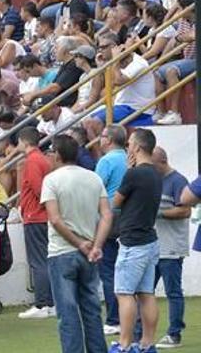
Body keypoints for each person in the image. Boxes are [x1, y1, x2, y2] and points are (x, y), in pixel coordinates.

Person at [41, 135, 111, 353]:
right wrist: (96, 245)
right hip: (89, 251)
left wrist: (79, 243)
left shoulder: (51, 180)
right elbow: (106, 215)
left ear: (58, 155)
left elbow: (55, 218)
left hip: (63, 251)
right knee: (91, 309)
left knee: (68, 313)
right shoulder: (93, 178)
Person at [110, 129, 162, 353]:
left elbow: (116, 201)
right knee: (146, 293)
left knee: (124, 293)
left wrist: (129, 170)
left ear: (138, 148)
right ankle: (147, 343)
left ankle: (124, 344)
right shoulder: (156, 173)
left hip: (133, 241)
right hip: (149, 238)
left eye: (130, 143)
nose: (127, 147)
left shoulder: (134, 174)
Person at [148, 147, 190, 349]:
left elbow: (185, 211)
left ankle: (174, 334)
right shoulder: (154, 180)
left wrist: (159, 214)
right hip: (154, 246)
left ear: (162, 162)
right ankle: (141, 332)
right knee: (145, 291)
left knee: (173, 291)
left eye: (152, 164)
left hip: (172, 247)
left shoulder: (178, 181)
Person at [15, 127, 55, 319]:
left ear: (24, 141)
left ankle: (42, 303)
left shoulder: (32, 161)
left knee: (38, 261)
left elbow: (39, 190)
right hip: (41, 215)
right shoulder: (43, 160)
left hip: (35, 216)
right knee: (44, 259)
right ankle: (49, 302)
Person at [95, 124, 129, 335]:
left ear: (108, 139)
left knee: (108, 269)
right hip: (127, 216)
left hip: (109, 215)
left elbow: (96, 188)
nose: (99, 139)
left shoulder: (106, 161)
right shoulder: (128, 158)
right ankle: (125, 317)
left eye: (102, 136)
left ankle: (114, 318)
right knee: (123, 268)